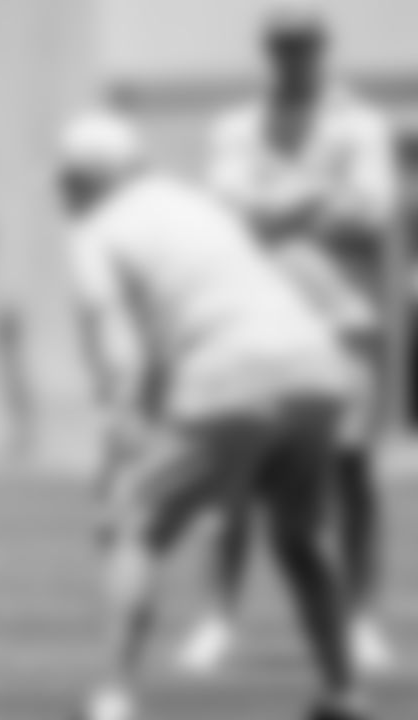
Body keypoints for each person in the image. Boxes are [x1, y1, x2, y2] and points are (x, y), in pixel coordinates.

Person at [63, 111, 365, 720]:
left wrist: (118, 438)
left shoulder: (95, 231)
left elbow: (121, 349)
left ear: (81, 179)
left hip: (230, 370)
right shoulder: (193, 204)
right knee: (301, 536)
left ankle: (114, 697)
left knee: (134, 525)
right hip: (316, 368)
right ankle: (341, 691)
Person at [181, 0, 401, 676]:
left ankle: (360, 620)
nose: (292, 56)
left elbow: (371, 215)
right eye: (282, 45)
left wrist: (273, 206)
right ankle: (218, 618)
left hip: (343, 322)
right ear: (267, 52)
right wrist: (318, 194)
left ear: (321, 49)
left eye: (303, 45)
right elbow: (224, 218)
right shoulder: (234, 127)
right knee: (235, 474)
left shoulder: (361, 125)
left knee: (352, 469)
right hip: (254, 324)